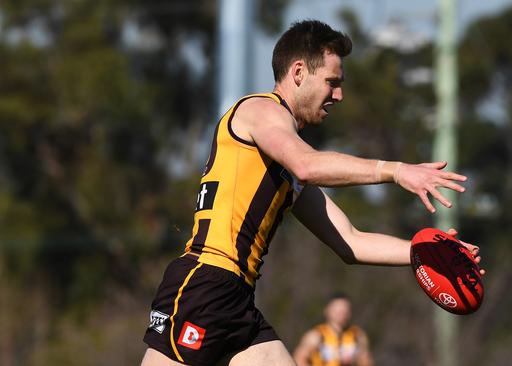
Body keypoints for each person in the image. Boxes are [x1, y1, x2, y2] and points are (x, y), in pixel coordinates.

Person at [141, 19, 485, 366]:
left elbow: (350, 241)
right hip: (205, 285)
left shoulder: (287, 167)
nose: (339, 95)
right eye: (332, 82)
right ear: (299, 71)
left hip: (236, 299)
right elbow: (308, 164)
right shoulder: (260, 111)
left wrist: (426, 251)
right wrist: (395, 171)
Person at [293, 293, 373, 366]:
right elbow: (298, 359)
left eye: (344, 310)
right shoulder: (316, 335)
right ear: (327, 310)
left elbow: (366, 361)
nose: (342, 313)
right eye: (338, 310)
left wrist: (354, 359)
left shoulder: (357, 335)